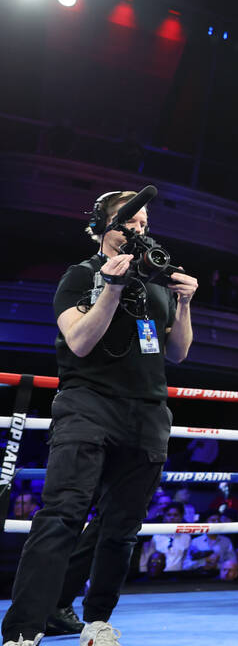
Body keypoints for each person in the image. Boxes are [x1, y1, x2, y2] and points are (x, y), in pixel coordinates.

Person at [1, 190, 197, 646]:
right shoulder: (80, 276)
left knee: (122, 528)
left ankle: (96, 621)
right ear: (103, 227)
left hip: (147, 412)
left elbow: (179, 352)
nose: (139, 229)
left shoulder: (156, 285)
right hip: (87, 406)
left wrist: (184, 305)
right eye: (130, 221)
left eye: (145, 222)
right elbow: (80, 342)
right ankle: (23, 630)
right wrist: (110, 288)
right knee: (62, 516)